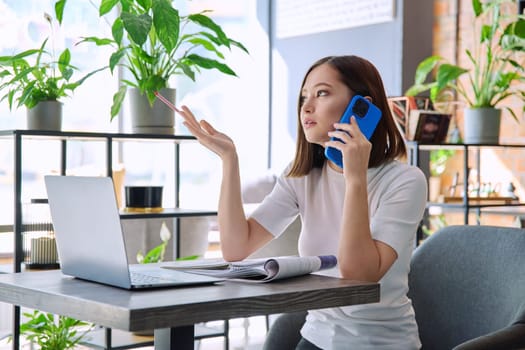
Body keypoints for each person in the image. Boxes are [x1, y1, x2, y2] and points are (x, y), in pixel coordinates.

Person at [177, 55, 427, 349]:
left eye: (322, 93)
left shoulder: (406, 181)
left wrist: (355, 178)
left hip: (380, 343)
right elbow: (235, 247)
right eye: (303, 97)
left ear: (362, 107)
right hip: (315, 338)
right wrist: (229, 160)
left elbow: (359, 275)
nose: (306, 107)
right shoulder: (302, 177)